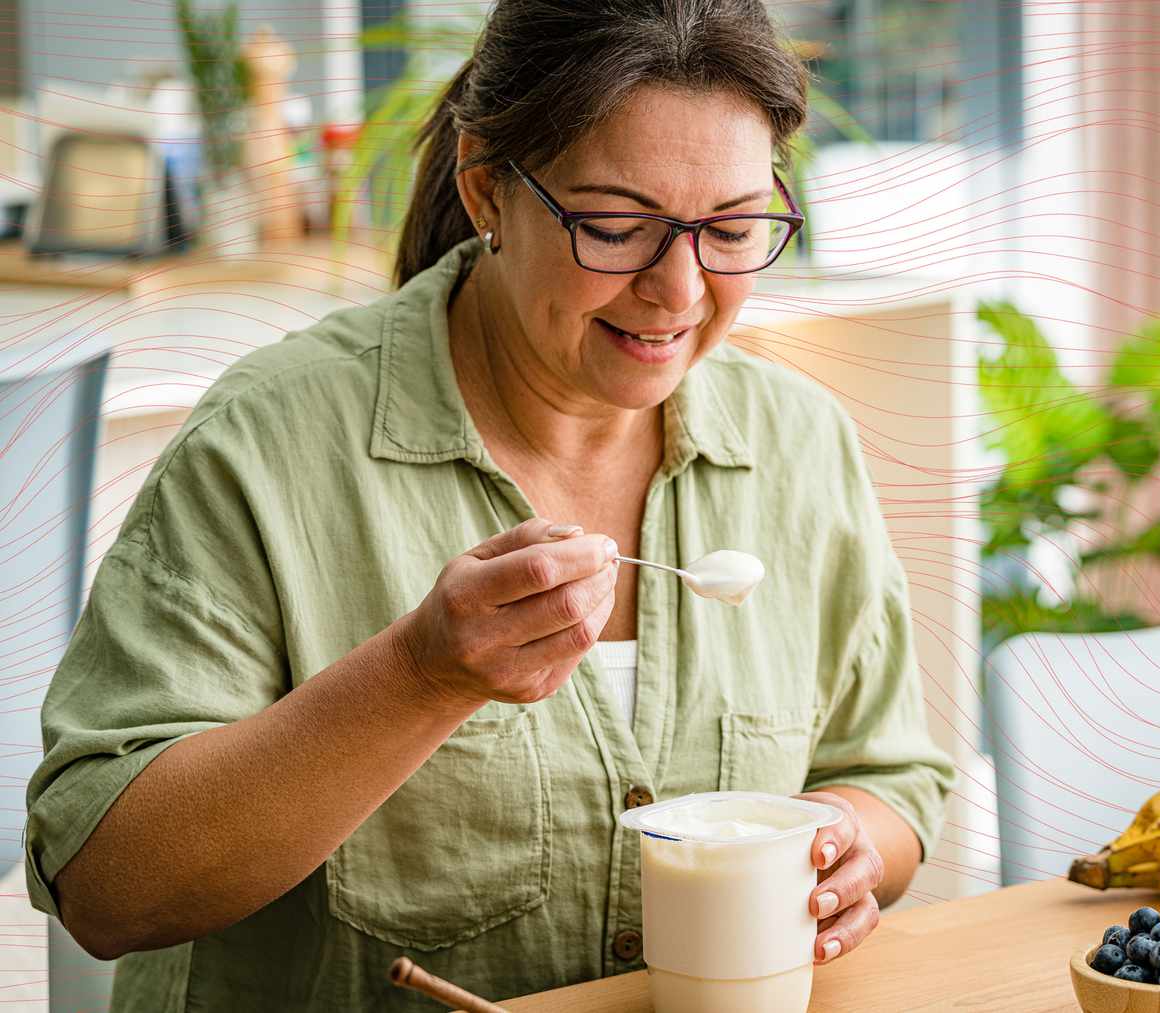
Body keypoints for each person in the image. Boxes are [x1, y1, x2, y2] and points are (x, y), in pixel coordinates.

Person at [23, 1, 956, 1009]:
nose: (679, 290)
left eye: (731, 228)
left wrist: (849, 843)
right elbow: (105, 887)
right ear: (486, 190)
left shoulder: (799, 443)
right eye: (613, 226)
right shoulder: (271, 443)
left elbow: (891, 774)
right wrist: (415, 677)